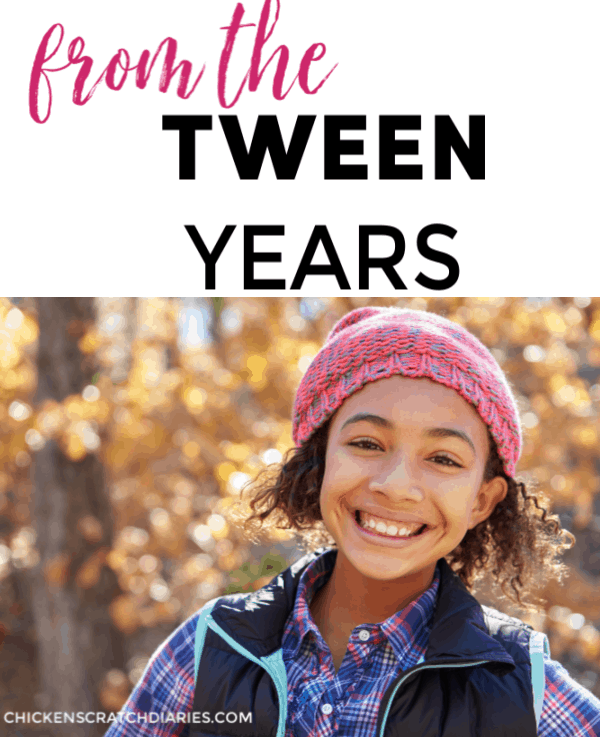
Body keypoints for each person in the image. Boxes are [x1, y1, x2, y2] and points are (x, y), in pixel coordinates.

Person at [104, 306, 600, 737]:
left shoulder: (520, 686)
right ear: (320, 460)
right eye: (367, 444)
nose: (396, 484)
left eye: (444, 459)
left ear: (482, 501)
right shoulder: (210, 646)